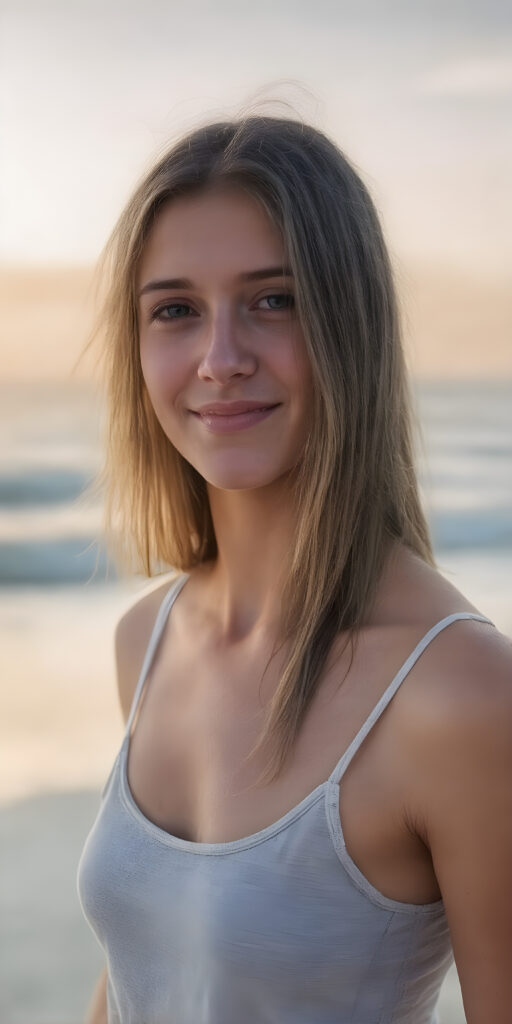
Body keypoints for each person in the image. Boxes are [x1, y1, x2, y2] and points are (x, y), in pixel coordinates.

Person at [77, 114, 512, 1024]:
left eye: (274, 300)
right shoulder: (146, 641)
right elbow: (142, 983)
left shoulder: (460, 693)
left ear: (350, 324)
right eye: (175, 310)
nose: (221, 360)